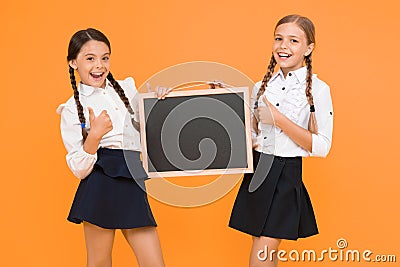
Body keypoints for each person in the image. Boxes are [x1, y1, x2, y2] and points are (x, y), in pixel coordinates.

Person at [229, 14, 334, 266]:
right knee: (263, 247)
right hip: (258, 171)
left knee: (263, 249)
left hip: (286, 174)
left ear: (309, 48)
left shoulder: (319, 90)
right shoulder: (260, 87)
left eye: (293, 40)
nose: (283, 46)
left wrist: (279, 119)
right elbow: (253, 134)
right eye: (278, 38)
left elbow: (322, 146)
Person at [57, 28, 165, 267]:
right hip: (99, 182)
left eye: (105, 57)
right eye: (90, 58)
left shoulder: (126, 88)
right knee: (99, 262)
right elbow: (79, 169)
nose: (99, 65)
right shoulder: (71, 109)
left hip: (130, 176)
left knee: (154, 263)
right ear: (73, 62)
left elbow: (149, 128)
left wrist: (157, 100)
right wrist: (93, 137)